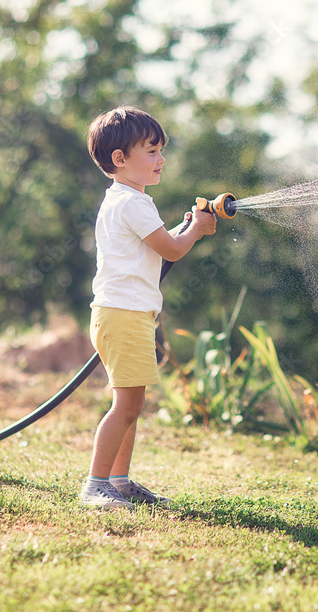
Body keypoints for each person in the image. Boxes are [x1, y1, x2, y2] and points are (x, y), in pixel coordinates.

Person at [80, 106, 216, 509]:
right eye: (152, 151)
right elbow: (172, 249)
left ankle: (118, 481)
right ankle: (96, 485)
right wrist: (196, 230)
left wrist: (187, 226)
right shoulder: (135, 203)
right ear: (120, 159)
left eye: (161, 151)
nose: (161, 159)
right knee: (126, 404)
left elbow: (157, 245)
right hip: (122, 315)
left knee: (132, 403)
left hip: (124, 314)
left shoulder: (123, 200)